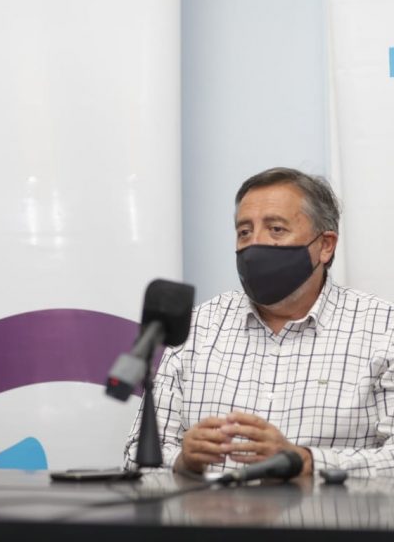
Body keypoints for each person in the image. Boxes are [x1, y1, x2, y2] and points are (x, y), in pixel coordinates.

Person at [125, 167, 394, 477]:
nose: (254, 245)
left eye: (276, 229)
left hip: (324, 509)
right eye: (244, 232)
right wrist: (184, 462)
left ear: (325, 245)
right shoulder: (195, 328)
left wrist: (305, 461)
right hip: (211, 508)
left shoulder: (383, 329)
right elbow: (136, 455)